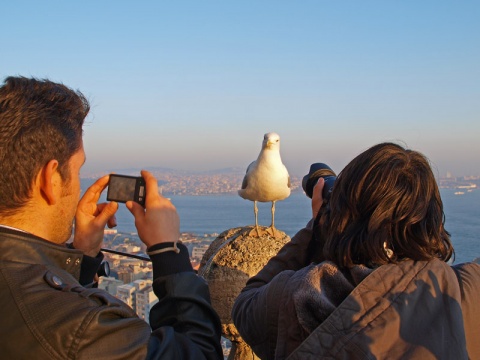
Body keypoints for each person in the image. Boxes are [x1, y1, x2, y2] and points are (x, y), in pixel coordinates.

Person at [0, 76, 223, 359]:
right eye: (78, 169)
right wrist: (168, 253)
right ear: (51, 179)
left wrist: (82, 258)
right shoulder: (83, 330)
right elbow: (199, 354)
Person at [232, 142, 480, 359]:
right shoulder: (463, 290)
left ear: (343, 215)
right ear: (431, 215)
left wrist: (320, 227)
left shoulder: (307, 294)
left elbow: (246, 305)